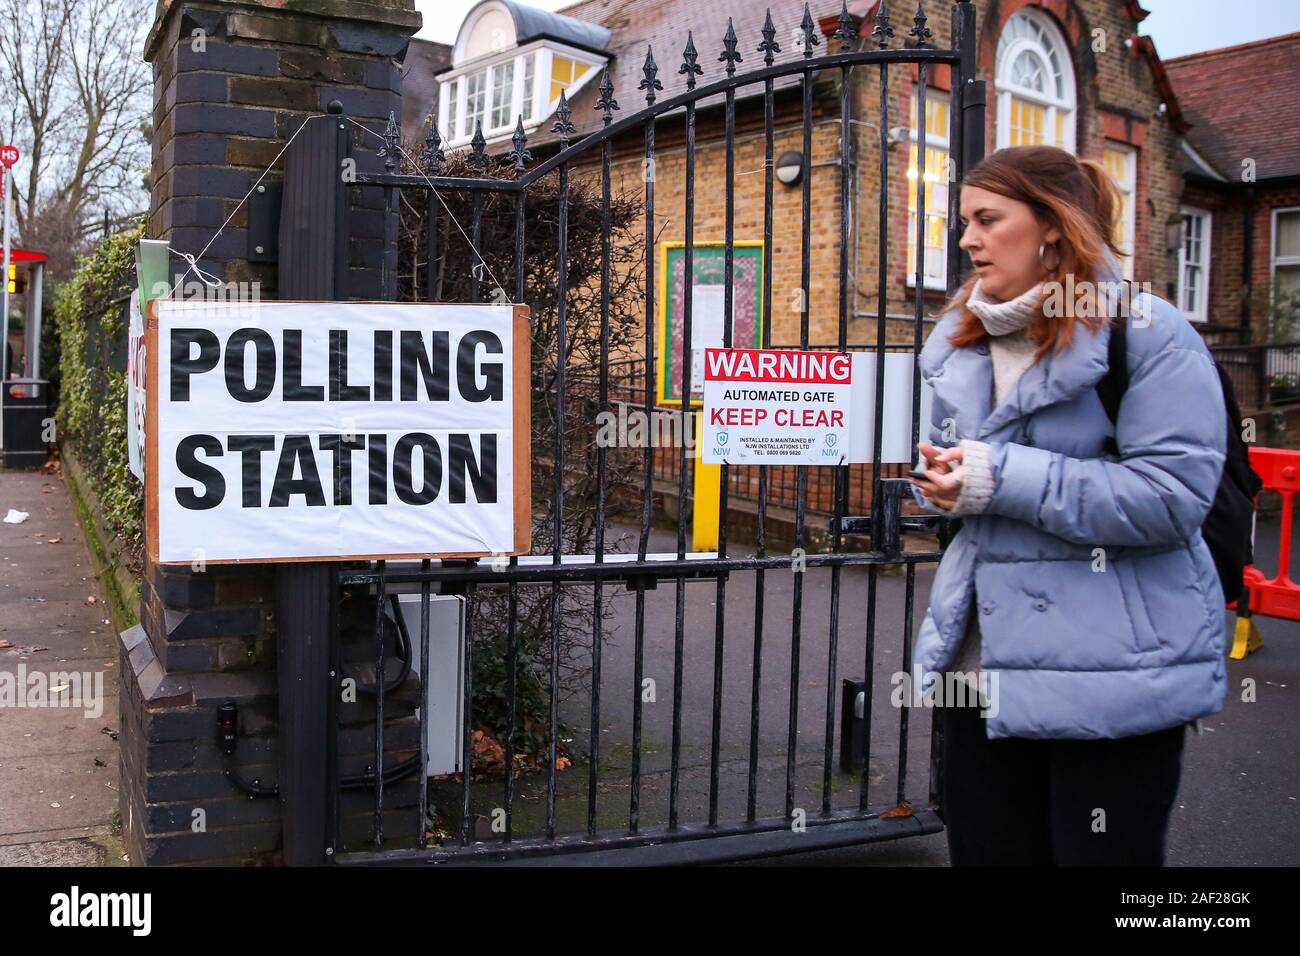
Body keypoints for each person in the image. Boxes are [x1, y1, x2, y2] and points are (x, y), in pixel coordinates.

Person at [908, 144, 1228, 866]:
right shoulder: (960, 336)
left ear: (1051, 225)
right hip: (982, 674)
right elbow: (972, 477)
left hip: (1112, 678)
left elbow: (1172, 497)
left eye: (988, 218)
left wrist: (997, 477)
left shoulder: (1144, 333)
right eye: (964, 221)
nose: (966, 239)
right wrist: (944, 486)